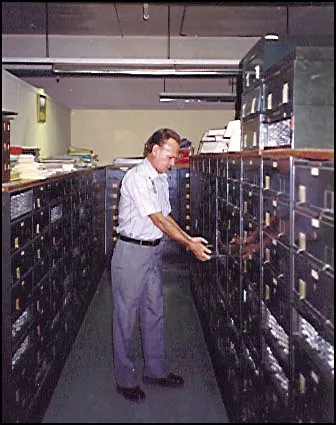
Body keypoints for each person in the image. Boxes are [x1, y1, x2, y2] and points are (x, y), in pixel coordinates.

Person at [111, 128, 212, 402]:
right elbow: (157, 219)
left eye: (175, 158)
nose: (173, 163)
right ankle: (125, 379)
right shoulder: (137, 178)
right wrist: (189, 245)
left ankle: (155, 371)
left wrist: (189, 238)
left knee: (154, 312)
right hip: (131, 253)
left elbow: (167, 216)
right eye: (169, 157)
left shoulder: (160, 178)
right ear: (154, 150)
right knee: (125, 318)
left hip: (153, 253)